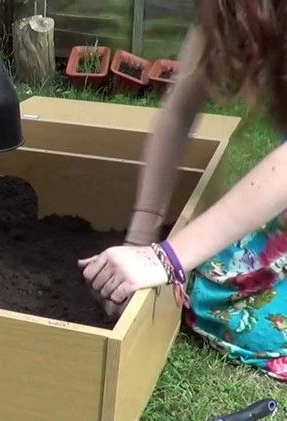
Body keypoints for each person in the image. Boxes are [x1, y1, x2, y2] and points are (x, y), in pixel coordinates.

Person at [78, 1, 287, 381]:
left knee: (258, 326)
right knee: (212, 291)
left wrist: (166, 258)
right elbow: (177, 113)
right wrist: (140, 238)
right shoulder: (224, 11)